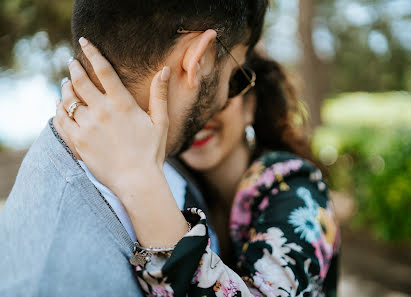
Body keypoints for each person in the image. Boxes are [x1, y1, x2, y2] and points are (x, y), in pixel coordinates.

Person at [0, 1, 268, 295]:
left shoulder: (170, 159)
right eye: (233, 74)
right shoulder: (51, 280)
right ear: (200, 57)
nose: (224, 99)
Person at [55, 46, 340, 296]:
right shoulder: (181, 187)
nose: (199, 117)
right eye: (180, 101)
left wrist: (139, 181)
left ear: (250, 107)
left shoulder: (297, 187)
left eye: (214, 94)